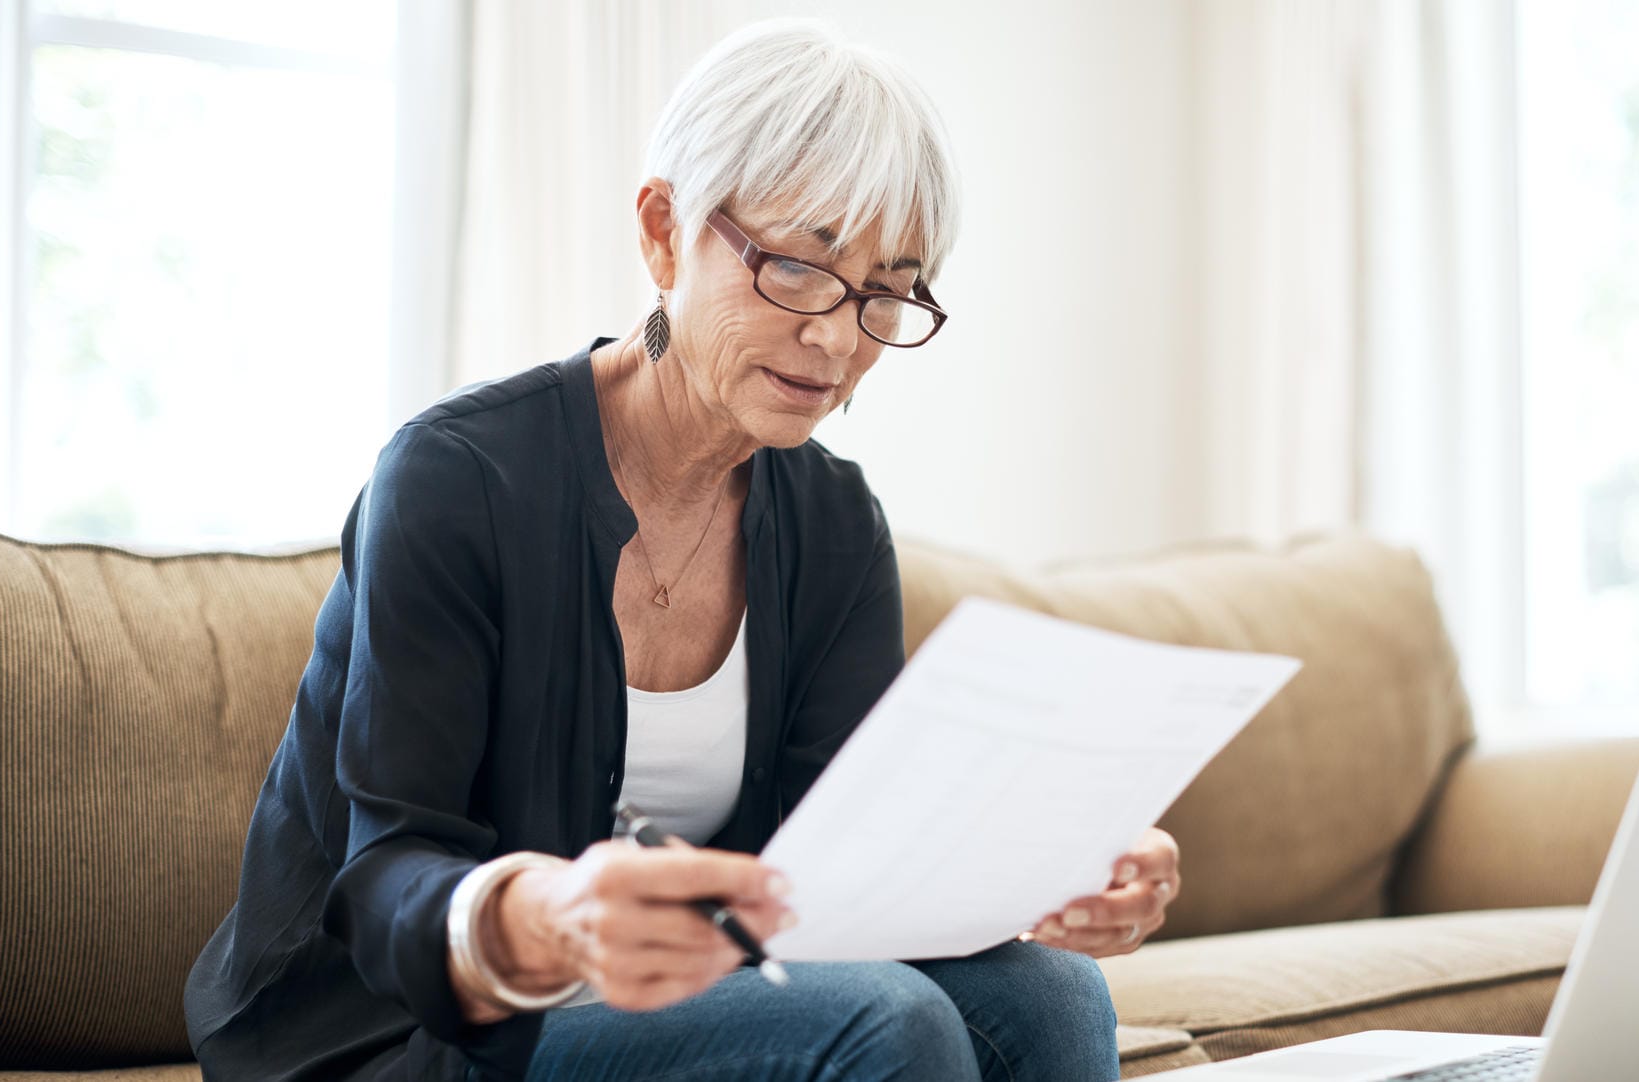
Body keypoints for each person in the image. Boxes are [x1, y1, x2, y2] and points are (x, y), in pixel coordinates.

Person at [184, 18, 1180, 1081]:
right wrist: (543, 913)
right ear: (664, 230)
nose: (839, 338)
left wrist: (1040, 869)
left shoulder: (835, 523)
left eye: (886, 290)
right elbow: (385, 870)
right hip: (386, 1031)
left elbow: (835, 872)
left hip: (649, 1008)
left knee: (1053, 993)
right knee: (890, 1023)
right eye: (799, 266)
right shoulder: (456, 479)